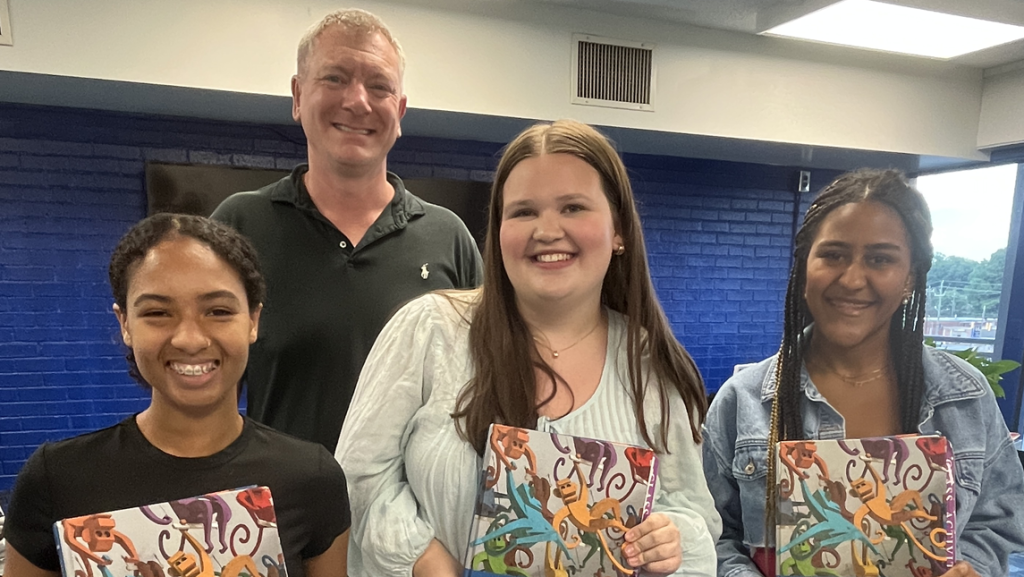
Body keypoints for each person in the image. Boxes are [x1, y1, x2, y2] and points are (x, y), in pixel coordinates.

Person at [336, 119, 722, 577]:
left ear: (618, 229)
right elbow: (360, 476)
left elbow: (693, 515)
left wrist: (670, 539)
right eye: (523, 212)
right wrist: (423, 559)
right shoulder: (429, 330)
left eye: (573, 207)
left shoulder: (651, 364)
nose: (547, 230)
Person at [702, 169, 1024, 576]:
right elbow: (714, 535)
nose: (853, 279)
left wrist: (973, 567)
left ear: (909, 278)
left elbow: (998, 520)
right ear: (804, 267)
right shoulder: (743, 400)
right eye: (833, 255)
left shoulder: (964, 397)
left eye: (880, 259)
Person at [2, 214, 350, 577]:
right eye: (157, 313)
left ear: (253, 320)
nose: (190, 339)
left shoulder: (311, 477)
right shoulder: (56, 479)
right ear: (125, 324)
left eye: (218, 311)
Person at [212, 9, 482, 452]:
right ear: (298, 96)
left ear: (400, 111)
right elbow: (205, 386)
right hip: (287, 494)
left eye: (379, 86)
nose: (358, 101)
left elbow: (485, 384)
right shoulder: (239, 225)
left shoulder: (448, 237)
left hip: (414, 498)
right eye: (335, 78)